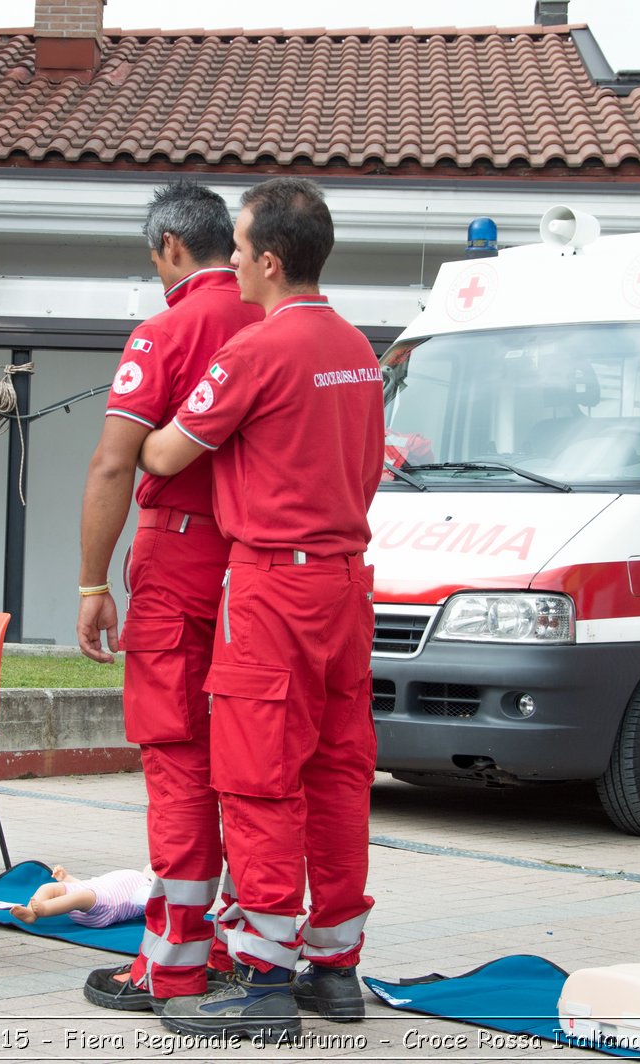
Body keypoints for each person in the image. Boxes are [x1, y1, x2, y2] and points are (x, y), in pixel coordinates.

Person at [139, 177, 385, 1041]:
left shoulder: (259, 351)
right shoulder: (358, 346)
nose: (230, 259)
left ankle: (261, 981)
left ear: (271, 262)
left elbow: (165, 449)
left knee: (257, 778)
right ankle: (336, 969)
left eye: (239, 248)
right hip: (350, 584)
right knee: (339, 772)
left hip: (275, 586)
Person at [76, 180, 263, 1012]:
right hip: (263, 573)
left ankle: (170, 962)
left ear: (172, 250)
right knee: (257, 766)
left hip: (181, 563)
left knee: (178, 756)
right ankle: (248, 949)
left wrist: (90, 581)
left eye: (154, 258)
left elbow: (117, 462)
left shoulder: (166, 329)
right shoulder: (278, 325)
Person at [11, 865, 153, 927]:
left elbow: (150, 903)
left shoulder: (149, 888)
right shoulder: (138, 875)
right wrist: (68, 878)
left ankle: (44, 909)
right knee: (48, 888)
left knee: (82, 896)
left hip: (107, 906)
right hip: (92, 890)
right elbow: (87, 885)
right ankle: (31, 913)